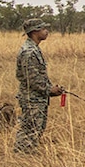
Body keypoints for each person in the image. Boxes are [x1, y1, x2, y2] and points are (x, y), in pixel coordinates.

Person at [14, 18, 66, 154]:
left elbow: (38, 75)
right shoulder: (29, 52)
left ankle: (27, 154)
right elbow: (32, 78)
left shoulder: (34, 49)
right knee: (29, 129)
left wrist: (52, 89)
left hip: (38, 98)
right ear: (34, 32)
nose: (46, 31)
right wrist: (49, 89)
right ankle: (23, 156)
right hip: (32, 99)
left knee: (36, 128)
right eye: (43, 29)